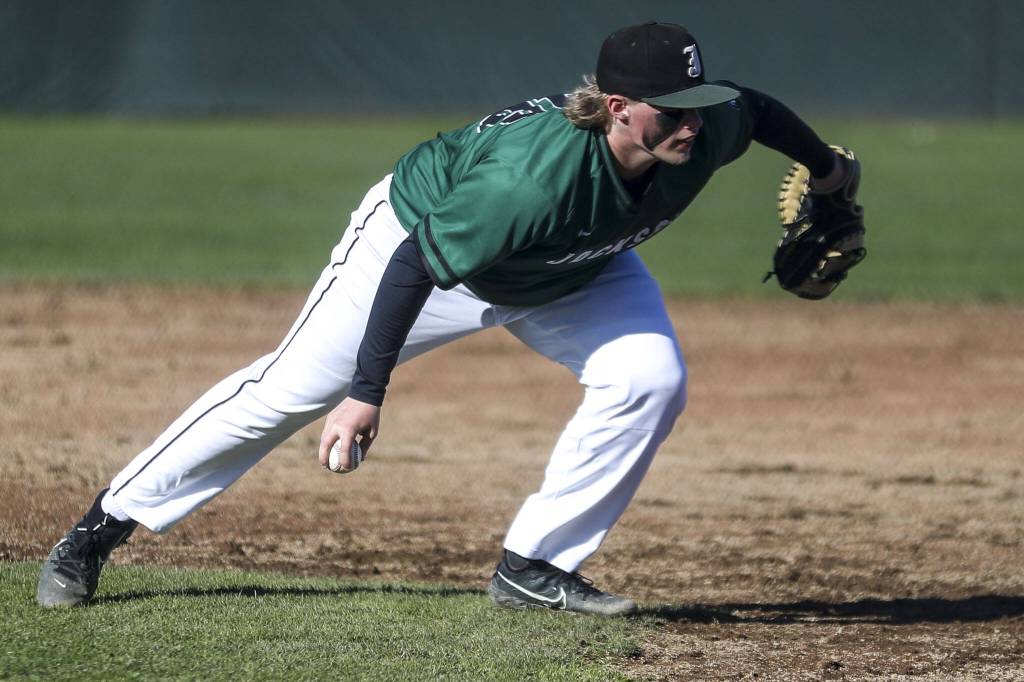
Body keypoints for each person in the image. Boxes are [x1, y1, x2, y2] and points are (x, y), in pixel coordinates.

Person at [37, 22, 857, 616]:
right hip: (422, 244)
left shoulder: (705, 128)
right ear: (616, 107)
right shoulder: (528, 183)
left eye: (695, 104)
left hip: (569, 267)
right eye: (670, 109)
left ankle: (535, 566)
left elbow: (756, 107)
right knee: (289, 390)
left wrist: (825, 175)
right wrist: (367, 391)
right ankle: (98, 529)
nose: (691, 121)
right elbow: (413, 268)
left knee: (649, 379)